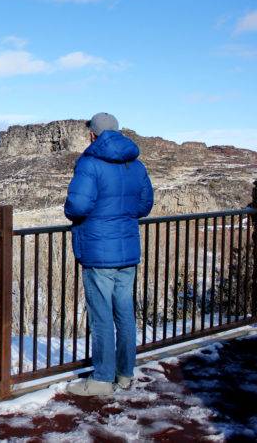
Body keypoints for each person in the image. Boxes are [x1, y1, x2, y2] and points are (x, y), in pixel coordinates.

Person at [64, 112, 154, 396]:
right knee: (125, 312)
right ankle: (125, 374)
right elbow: (144, 205)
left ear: (92, 134)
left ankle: (102, 380)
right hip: (127, 250)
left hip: (99, 250)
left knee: (101, 316)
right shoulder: (136, 164)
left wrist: (76, 213)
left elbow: (77, 206)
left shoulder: (90, 162)